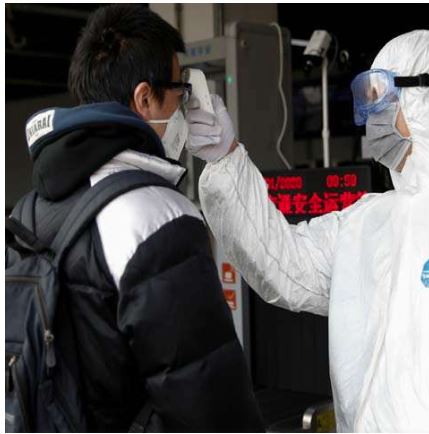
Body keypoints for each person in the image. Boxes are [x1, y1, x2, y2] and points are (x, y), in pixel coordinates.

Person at [188, 30, 429, 431]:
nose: (370, 119)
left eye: (380, 99)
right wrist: (226, 161)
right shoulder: (371, 220)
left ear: (425, 98)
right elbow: (285, 264)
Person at [11, 5, 263, 432]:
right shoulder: (156, 214)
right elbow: (207, 399)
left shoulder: (28, 210)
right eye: (181, 92)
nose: (186, 107)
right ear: (145, 98)